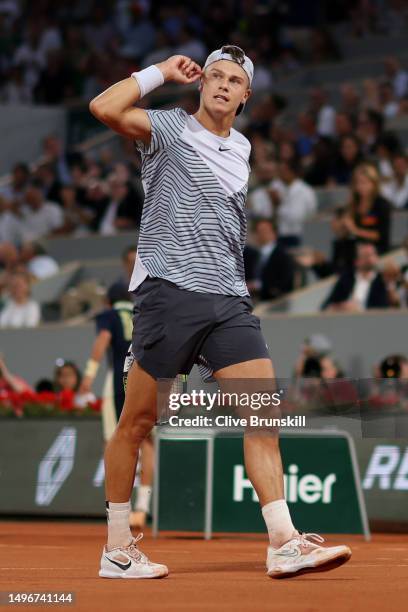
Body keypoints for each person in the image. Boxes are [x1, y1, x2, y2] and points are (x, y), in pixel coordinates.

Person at [90, 45, 351, 580]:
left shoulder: (244, 148)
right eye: (214, 76)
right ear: (200, 84)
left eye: (234, 79)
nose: (223, 85)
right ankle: (118, 547)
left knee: (263, 416)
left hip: (229, 302)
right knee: (137, 422)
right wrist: (160, 72)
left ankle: (283, 541)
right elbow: (104, 109)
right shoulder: (167, 129)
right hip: (170, 295)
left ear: (246, 94)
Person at [78, 285, 154, 528]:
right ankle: (143, 507)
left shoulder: (107, 316)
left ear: (108, 302)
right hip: (149, 377)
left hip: (118, 381)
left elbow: (103, 340)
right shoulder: (144, 311)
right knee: (148, 442)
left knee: (116, 440)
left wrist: (88, 376)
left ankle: (120, 511)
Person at [322, 243, 389, 311]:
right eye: (366, 256)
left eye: (373, 254)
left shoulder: (382, 280)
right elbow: (326, 306)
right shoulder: (346, 279)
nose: (371, 259)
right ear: (357, 261)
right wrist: (343, 307)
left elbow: (384, 308)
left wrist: (359, 309)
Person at [269, 159, 317, 248]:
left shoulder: (306, 190)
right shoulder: (276, 188)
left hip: (299, 234)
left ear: (292, 172)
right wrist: (275, 203)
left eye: (284, 171)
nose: (281, 174)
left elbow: (311, 212)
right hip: (281, 234)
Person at [244, 219, 295, 301]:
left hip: (274, 302)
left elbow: (285, 283)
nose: (261, 234)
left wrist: (258, 285)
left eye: (264, 231)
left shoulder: (283, 256)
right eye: (258, 231)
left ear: (274, 233)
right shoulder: (251, 255)